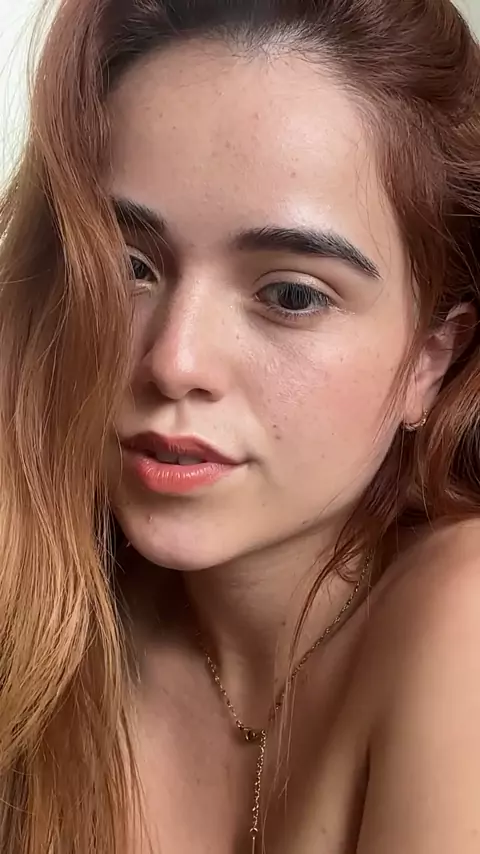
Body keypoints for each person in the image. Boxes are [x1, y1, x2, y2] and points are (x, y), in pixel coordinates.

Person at [1, 0, 480, 851]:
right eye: (129, 266)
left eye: (290, 294)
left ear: (429, 361)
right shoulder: (39, 613)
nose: (174, 361)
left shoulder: (461, 614)